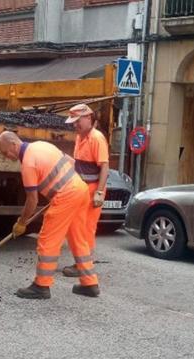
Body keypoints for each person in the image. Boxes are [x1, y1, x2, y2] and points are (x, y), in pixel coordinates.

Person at [0, 131, 100, 299]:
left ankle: (41, 285)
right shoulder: (42, 145)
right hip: (80, 189)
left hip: (67, 195)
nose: (5, 156)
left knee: (47, 239)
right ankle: (90, 283)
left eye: (5, 152)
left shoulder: (28, 163)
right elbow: (72, 163)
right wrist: (65, 186)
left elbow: (32, 200)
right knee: (78, 239)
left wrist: (21, 223)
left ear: (14, 145)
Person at [61, 103, 109, 278]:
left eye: (77, 121)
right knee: (76, 227)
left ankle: (83, 265)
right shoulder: (80, 137)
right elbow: (79, 165)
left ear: (88, 118)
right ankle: (80, 262)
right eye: (73, 122)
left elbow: (104, 167)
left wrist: (99, 193)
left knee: (86, 228)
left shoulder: (96, 138)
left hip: (92, 191)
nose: (75, 125)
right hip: (81, 190)